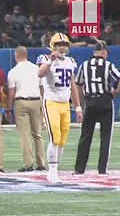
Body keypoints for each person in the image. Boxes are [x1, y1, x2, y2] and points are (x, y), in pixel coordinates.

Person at [37, 33, 83, 183]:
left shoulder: (70, 61)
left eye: (64, 45)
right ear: (53, 46)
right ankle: (52, 171)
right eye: (59, 45)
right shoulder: (45, 58)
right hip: (51, 102)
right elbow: (40, 73)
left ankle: (56, 168)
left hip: (65, 103)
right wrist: (51, 59)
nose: (62, 47)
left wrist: (77, 106)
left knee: (63, 139)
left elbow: (73, 85)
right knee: (55, 136)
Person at [74, 41, 120, 175]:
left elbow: (78, 84)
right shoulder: (108, 65)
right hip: (105, 101)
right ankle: (102, 169)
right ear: (103, 52)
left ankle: (79, 169)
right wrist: (116, 91)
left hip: (90, 102)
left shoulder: (84, 65)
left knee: (85, 136)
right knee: (105, 137)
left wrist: (80, 105)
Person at [6, 46, 46, 172]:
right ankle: (41, 163)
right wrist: (43, 104)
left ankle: (28, 164)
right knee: (37, 134)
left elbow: (11, 92)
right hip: (36, 101)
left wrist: (8, 108)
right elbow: (42, 88)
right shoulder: (36, 69)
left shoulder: (13, 71)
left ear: (16, 56)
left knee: (25, 135)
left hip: (21, 102)